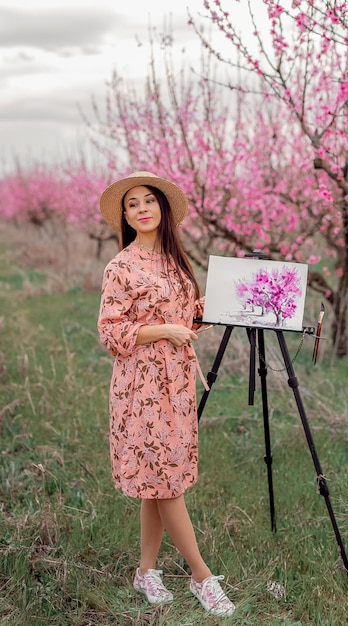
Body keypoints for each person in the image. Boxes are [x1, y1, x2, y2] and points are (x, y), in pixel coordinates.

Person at [97, 171, 235, 618]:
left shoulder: (175, 260)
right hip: (141, 386)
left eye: (149, 201)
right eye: (133, 203)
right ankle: (202, 577)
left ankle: (146, 570)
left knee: (158, 480)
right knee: (166, 481)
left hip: (175, 383)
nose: (141, 209)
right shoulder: (121, 266)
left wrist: (231, 306)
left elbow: (190, 315)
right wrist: (163, 330)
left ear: (163, 209)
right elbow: (110, 330)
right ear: (125, 215)